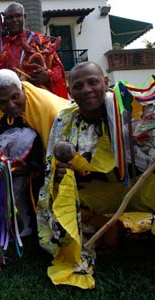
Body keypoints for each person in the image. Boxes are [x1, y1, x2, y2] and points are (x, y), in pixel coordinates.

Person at [36, 61, 155, 289]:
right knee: (61, 200)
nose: (87, 90)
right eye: (78, 86)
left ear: (106, 82)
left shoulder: (130, 110)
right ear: (70, 92)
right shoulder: (64, 120)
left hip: (138, 185)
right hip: (100, 191)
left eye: (93, 82)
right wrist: (62, 172)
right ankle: (100, 238)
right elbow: (52, 167)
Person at [0, 69, 67, 241]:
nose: (11, 105)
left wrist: (32, 167)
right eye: (3, 102)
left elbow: (55, 153)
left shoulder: (47, 107)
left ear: (21, 88)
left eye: (15, 97)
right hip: (11, 167)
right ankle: (1, 224)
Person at [0, 2, 68, 98]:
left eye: (18, 16)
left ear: (24, 17)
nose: (14, 20)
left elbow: (58, 68)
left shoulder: (40, 40)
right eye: (10, 17)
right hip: (9, 100)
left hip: (37, 97)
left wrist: (48, 76)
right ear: (5, 21)